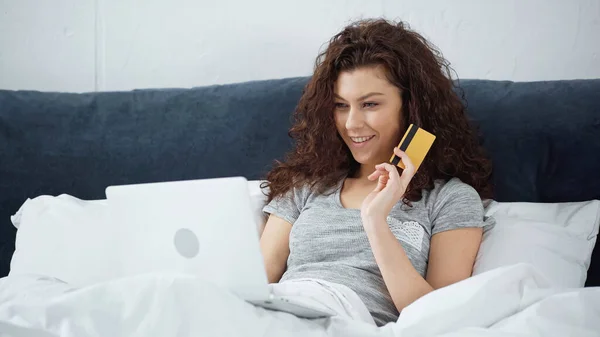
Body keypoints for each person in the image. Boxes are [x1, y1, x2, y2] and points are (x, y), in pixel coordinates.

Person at [259, 18, 495, 327]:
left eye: (369, 104)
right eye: (341, 105)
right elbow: (254, 282)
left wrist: (375, 220)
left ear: (411, 107)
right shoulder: (306, 186)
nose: (352, 123)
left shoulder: (449, 199)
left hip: (351, 322)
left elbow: (438, 318)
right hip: (281, 312)